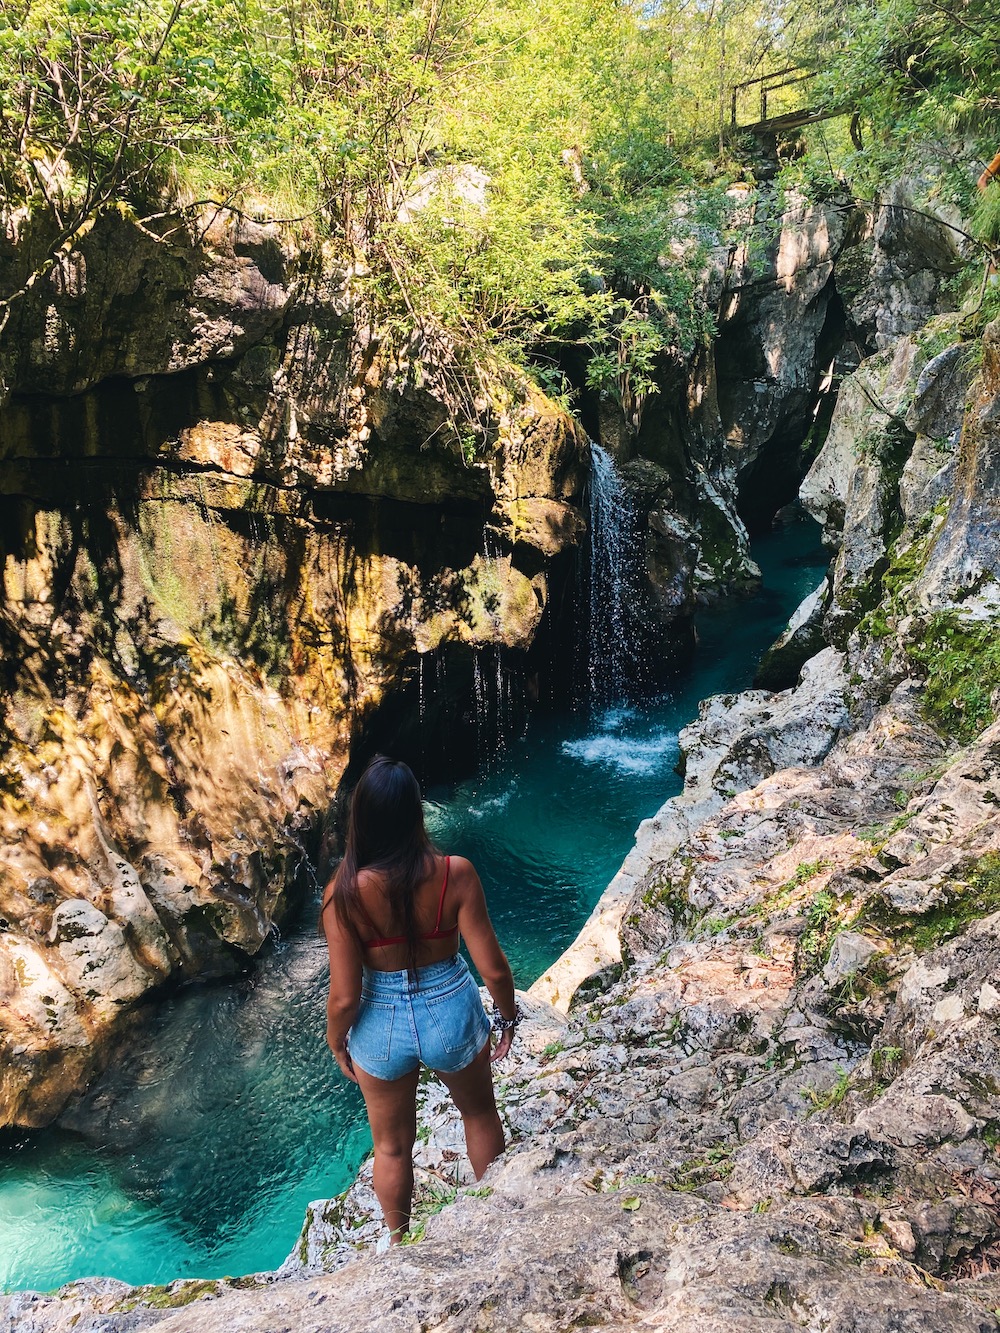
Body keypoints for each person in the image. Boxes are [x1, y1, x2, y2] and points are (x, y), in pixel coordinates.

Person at [321, 754, 520, 1243]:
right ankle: (496, 1222)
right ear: (416, 814)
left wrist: (336, 1042)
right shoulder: (456, 874)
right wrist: (508, 1017)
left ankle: (401, 1244)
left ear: (360, 819)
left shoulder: (341, 894)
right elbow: (492, 967)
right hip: (450, 1007)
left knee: (390, 1148)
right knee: (478, 1114)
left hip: (378, 1022)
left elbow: (345, 997)